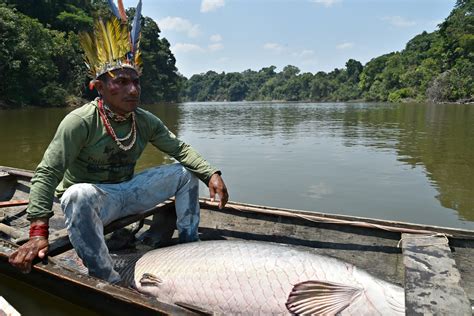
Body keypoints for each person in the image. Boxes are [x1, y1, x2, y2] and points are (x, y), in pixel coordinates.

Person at [9, 0, 228, 284]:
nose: (133, 89)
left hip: (128, 192)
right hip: (96, 201)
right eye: (121, 82)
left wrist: (211, 172)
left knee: (185, 173)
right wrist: (38, 232)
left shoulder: (144, 120)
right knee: (77, 195)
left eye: (135, 82)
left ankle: (189, 242)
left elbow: (180, 149)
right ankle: (107, 277)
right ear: (99, 87)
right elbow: (47, 173)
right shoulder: (81, 121)